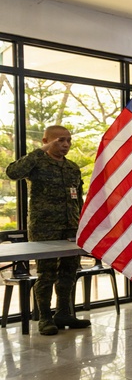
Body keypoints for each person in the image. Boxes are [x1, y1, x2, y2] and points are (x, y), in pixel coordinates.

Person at [5, 125, 89, 335]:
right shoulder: (37, 162)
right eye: (60, 140)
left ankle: (63, 313)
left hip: (70, 226)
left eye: (68, 140)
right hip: (45, 228)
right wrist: (39, 151)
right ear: (46, 141)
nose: (66, 145)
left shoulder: (72, 167)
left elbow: (78, 197)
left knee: (69, 272)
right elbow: (12, 172)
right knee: (46, 273)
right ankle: (44, 317)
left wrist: (81, 223)